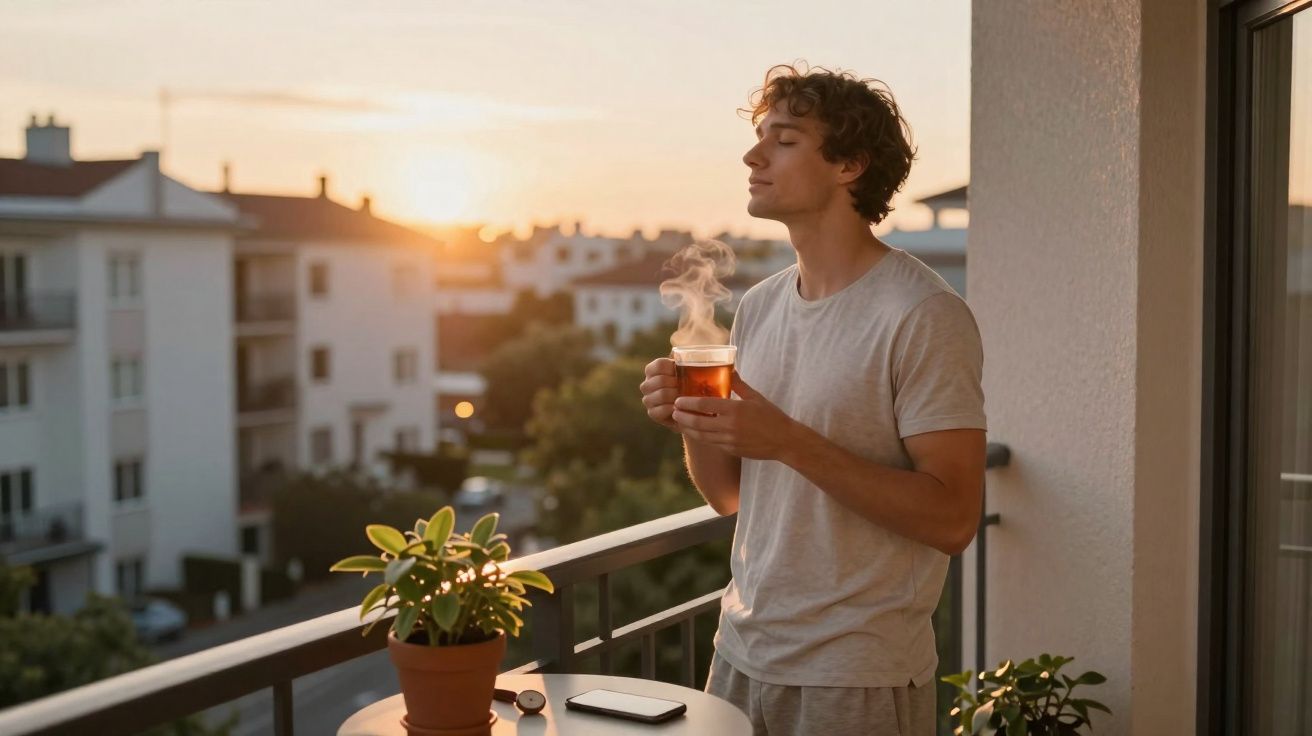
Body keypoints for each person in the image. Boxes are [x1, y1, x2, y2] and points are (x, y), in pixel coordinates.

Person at [639, 63, 988, 736]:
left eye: (785, 138)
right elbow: (731, 496)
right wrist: (690, 416)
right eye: (759, 135)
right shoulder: (763, 307)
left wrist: (789, 441)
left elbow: (953, 519)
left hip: (855, 676)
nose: (753, 154)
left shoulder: (922, 314)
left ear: (849, 164)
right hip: (739, 654)